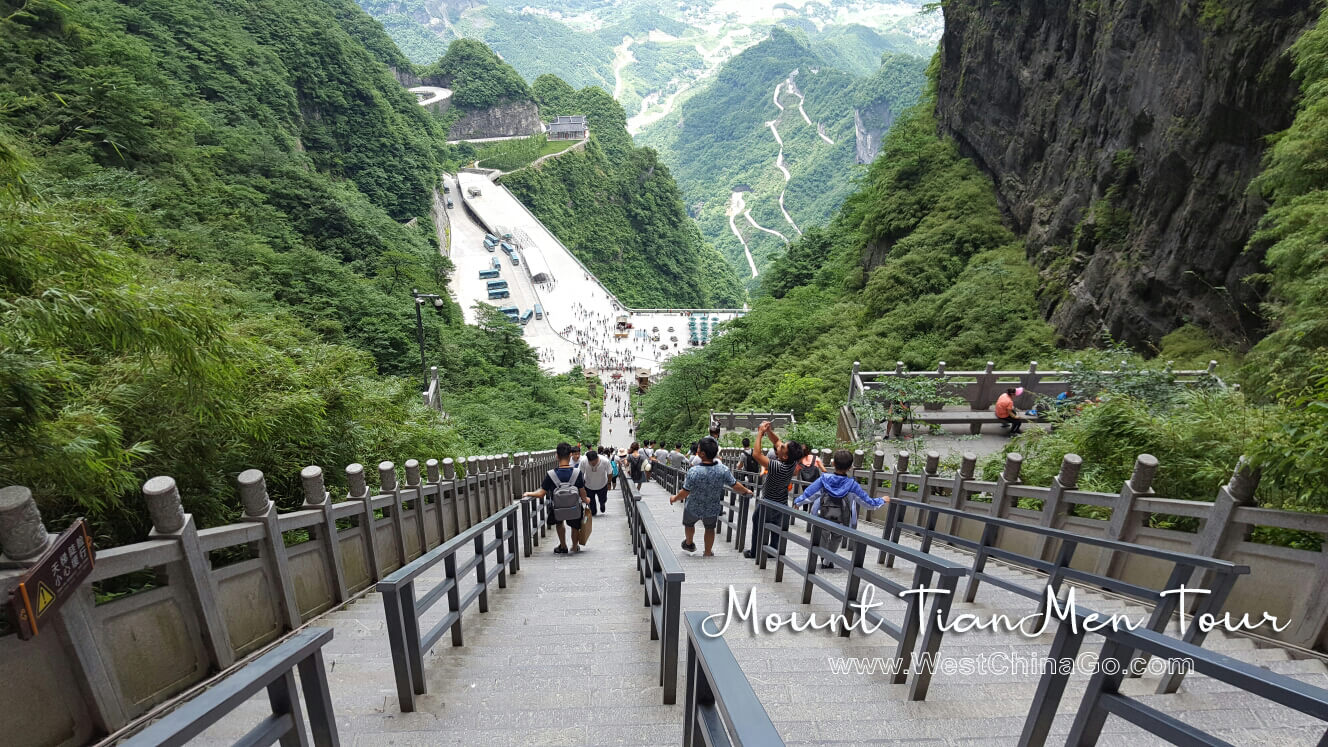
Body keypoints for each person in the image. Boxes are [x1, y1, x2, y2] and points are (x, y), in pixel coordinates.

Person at [795, 450, 886, 568]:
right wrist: (882, 500)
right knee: (837, 537)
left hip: (824, 515)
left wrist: (798, 502)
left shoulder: (824, 479)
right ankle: (828, 560)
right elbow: (867, 502)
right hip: (843, 517)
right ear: (850, 467)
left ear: (833, 464)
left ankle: (824, 557)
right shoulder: (852, 484)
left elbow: (809, 494)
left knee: (823, 534)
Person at [670, 437, 752, 556]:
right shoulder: (722, 469)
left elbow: (685, 491)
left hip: (693, 505)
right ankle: (708, 552)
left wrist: (675, 498)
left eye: (698, 448)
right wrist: (746, 491)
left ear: (702, 453)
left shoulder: (694, 471)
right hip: (712, 505)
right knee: (709, 528)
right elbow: (735, 484)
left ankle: (689, 543)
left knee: (689, 524)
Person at [745, 421, 804, 559]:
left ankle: (755, 551)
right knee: (776, 528)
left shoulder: (779, 467)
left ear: (784, 456)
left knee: (758, 523)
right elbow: (777, 441)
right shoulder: (792, 463)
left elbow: (757, 455)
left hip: (768, 502)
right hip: (782, 502)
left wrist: (760, 433)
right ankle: (772, 551)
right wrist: (769, 431)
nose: (779, 445)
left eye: (782, 447)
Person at [520, 442, 589, 554]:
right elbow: (582, 492)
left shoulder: (551, 474)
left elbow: (541, 493)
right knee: (575, 526)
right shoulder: (577, 473)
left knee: (559, 523)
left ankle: (563, 545)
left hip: (558, 507)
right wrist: (586, 500)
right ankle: (574, 546)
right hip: (574, 508)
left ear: (557, 455)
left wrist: (529, 493)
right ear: (570, 455)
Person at [579, 447, 613, 515]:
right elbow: (580, 473)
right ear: (588, 460)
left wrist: (609, 483)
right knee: (592, 508)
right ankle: (593, 510)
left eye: (595, 462)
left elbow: (610, 472)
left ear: (597, 457)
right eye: (591, 463)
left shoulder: (605, 461)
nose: (593, 464)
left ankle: (602, 504)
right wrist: (582, 486)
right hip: (588, 485)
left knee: (603, 499)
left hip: (602, 484)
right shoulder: (583, 461)